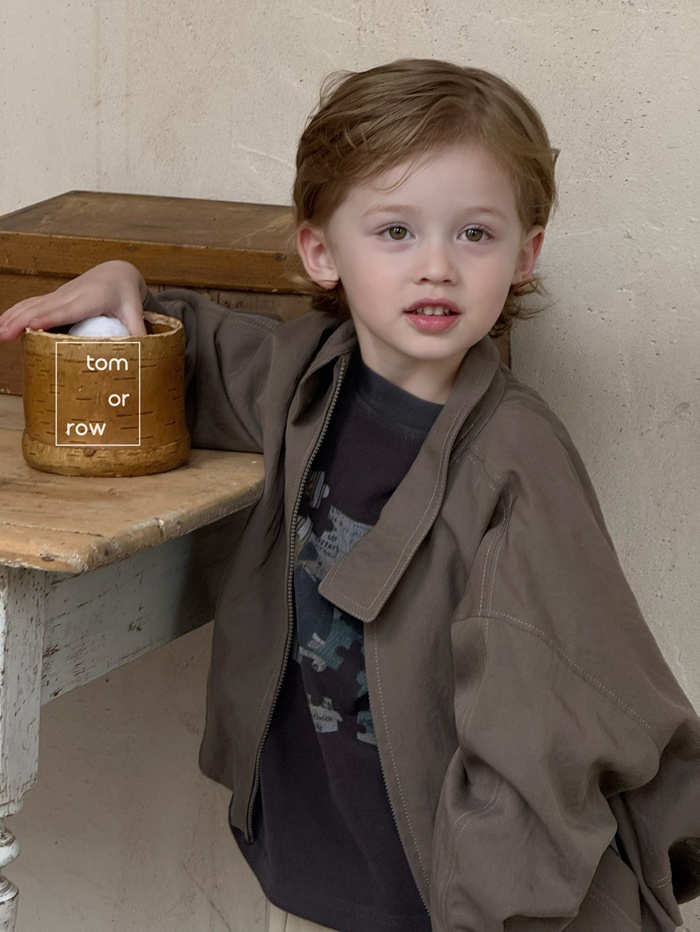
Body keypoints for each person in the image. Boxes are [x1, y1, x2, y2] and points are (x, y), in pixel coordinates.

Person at [1, 58, 699, 932]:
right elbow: (199, 362)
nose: (437, 266)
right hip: (321, 867)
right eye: (396, 231)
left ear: (524, 256)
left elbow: (542, 734)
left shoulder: (516, 464)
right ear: (321, 252)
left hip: (461, 901)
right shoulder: (308, 376)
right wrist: (122, 280)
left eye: (475, 234)